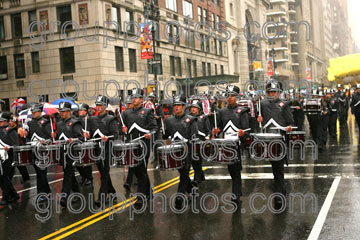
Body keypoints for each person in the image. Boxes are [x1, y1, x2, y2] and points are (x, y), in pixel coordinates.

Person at [257, 81, 294, 209]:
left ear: (279, 92)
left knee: (278, 168)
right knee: (274, 167)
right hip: (267, 139)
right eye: (270, 92)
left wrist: (289, 127)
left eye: (274, 92)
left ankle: (279, 195)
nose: (272, 94)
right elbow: (255, 120)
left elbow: (290, 122)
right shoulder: (262, 104)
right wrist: (258, 119)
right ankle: (281, 190)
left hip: (280, 139)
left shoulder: (285, 104)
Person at [212, 85, 249, 206]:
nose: (230, 98)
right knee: (231, 169)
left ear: (237, 97)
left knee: (236, 169)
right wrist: (216, 131)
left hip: (237, 144)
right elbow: (220, 128)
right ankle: (237, 191)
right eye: (228, 95)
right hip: (226, 144)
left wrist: (243, 133)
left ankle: (236, 195)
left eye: (232, 95)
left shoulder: (242, 111)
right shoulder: (221, 112)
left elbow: (247, 130)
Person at [121, 88, 158, 208]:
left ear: (141, 99)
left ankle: (140, 197)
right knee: (139, 171)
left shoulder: (147, 112)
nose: (134, 99)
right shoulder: (126, 113)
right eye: (132, 97)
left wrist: (150, 133)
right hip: (131, 145)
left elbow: (155, 128)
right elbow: (120, 128)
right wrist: (123, 129)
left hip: (144, 145)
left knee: (141, 169)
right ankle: (150, 193)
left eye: (136, 97)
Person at [164, 95, 198, 209]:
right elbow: (166, 135)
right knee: (183, 174)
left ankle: (179, 197)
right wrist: (167, 139)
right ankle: (192, 191)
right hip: (174, 152)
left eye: (179, 105)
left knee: (184, 174)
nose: (177, 107)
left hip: (187, 151)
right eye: (175, 105)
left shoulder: (191, 120)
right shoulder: (169, 120)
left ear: (184, 107)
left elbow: (194, 137)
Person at [84, 95, 119, 206]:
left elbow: (115, 135)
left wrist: (107, 137)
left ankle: (101, 197)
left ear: (105, 106)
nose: (98, 107)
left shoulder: (110, 118)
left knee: (104, 174)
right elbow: (90, 134)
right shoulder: (92, 119)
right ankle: (112, 192)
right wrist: (87, 134)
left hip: (107, 148)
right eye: (97, 105)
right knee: (103, 173)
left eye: (101, 105)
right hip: (96, 149)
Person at [18, 103, 52, 202]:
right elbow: (28, 137)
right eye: (32, 112)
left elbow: (50, 137)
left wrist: (46, 141)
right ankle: (47, 192)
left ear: (40, 111)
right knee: (39, 173)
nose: (33, 113)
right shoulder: (29, 123)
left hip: (43, 151)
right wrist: (24, 134)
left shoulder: (45, 122)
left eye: (35, 112)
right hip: (33, 150)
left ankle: (42, 194)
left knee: (41, 172)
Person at [52, 102, 83, 207]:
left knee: (68, 174)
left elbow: (81, 138)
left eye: (64, 111)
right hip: (62, 152)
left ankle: (64, 197)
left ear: (69, 111)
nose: (62, 113)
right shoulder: (59, 123)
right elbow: (59, 138)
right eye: (61, 111)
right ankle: (78, 193)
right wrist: (54, 137)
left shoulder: (75, 122)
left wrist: (73, 140)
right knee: (69, 173)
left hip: (72, 152)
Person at [0, 112, 20, 205]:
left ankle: (6, 197)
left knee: (5, 177)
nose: (0, 123)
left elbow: (16, 145)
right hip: (1, 157)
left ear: (7, 121)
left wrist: (9, 147)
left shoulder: (11, 130)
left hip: (9, 157)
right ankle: (14, 195)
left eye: (2, 121)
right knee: (3, 178)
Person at [189, 99, 210, 186]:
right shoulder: (188, 118)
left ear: (199, 109)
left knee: (198, 160)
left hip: (201, 142)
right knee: (194, 161)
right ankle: (201, 176)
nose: (193, 109)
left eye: (195, 108)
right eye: (192, 108)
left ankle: (196, 179)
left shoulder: (204, 118)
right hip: (191, 142)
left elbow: (208, 130)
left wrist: (208, 136)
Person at [8, 114, 30, 183]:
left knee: (19, 164)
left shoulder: (19, 128)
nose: (9, 122)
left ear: (14, 121)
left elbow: (23, 136)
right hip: (13, 148)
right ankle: (25, 177)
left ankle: (26, 178)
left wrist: (23, 132)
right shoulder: (10, 129)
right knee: (14, 164)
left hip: (18, 148)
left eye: (11, 121)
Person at [77, 103, 94, 186]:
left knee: (87, 161)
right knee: (78, 162)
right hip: (79, 142)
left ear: (86, 111)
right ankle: (83, 176)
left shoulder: (90, 119)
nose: (80, 112)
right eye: (79, 110)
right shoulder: (77, 120)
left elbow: (93, 130)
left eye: (82, 110)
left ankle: (89, 178)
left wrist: (89, 134)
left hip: (87, 142)